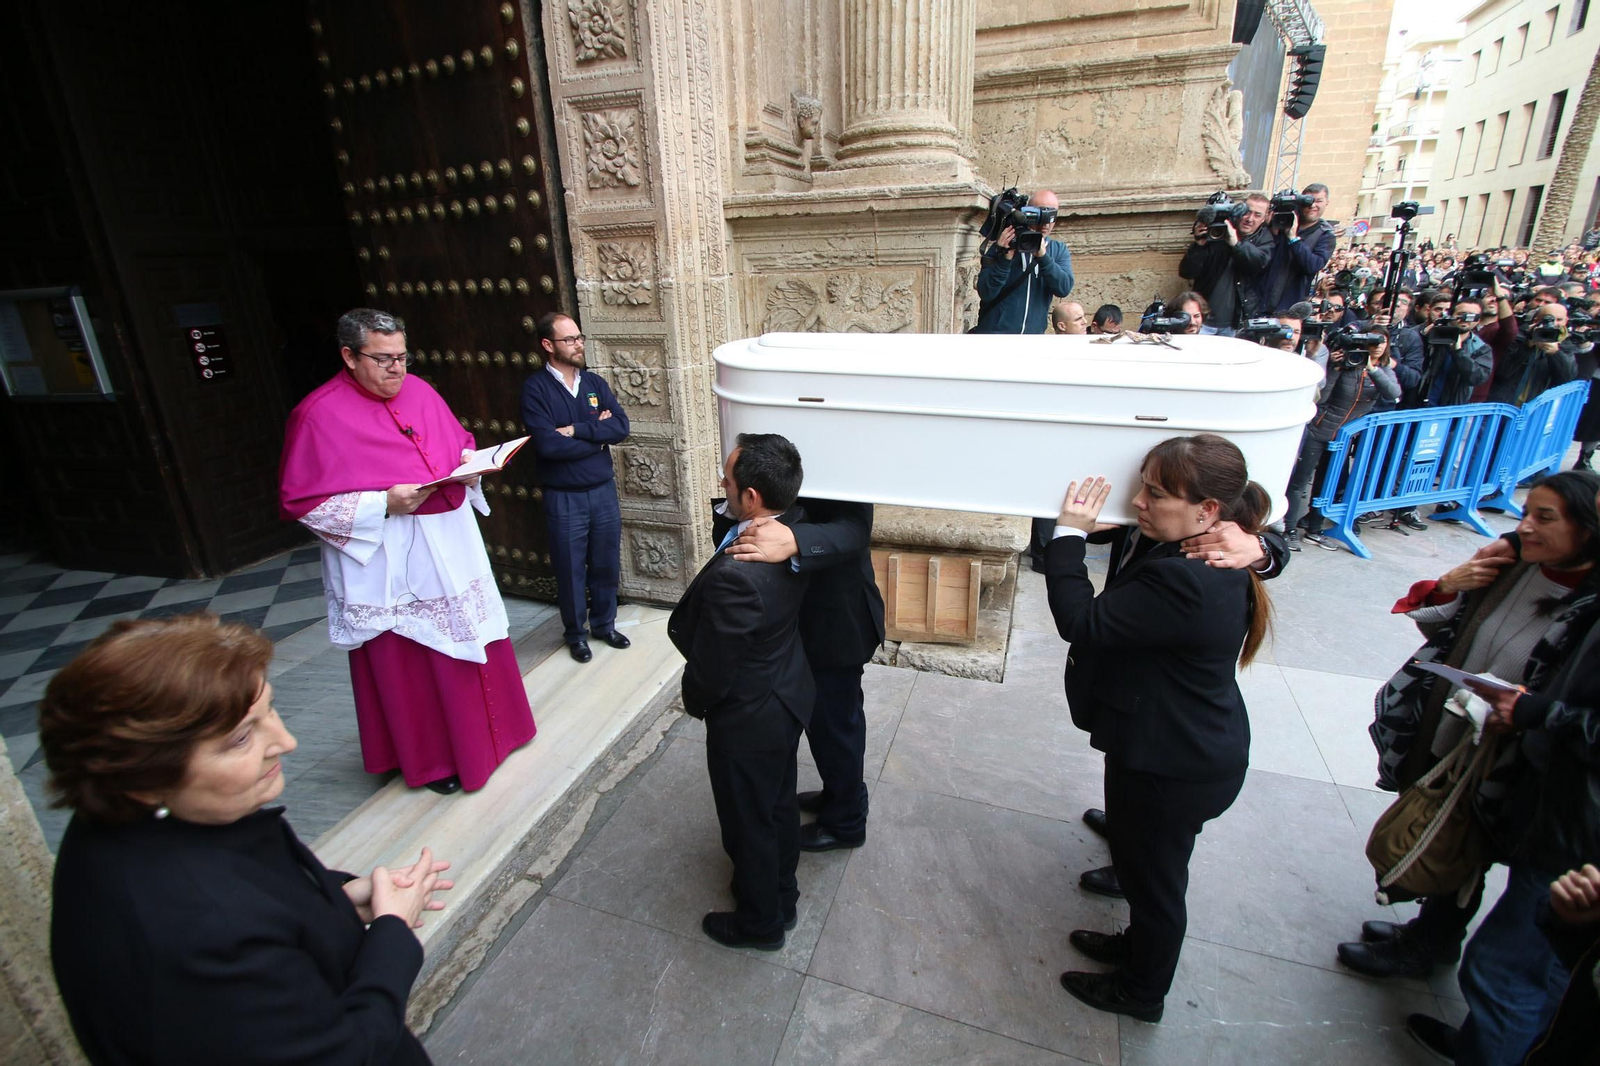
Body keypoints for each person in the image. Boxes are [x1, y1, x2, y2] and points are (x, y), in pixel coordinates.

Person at [43, 614, 452, 1064]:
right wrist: (392, 933)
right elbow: (343, 1053)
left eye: (270, 709)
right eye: (240, 738)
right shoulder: (199, 934)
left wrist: (333, 897)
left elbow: (254, 893)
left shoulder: (148, 820)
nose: (286, 741)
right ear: (143, 777)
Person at [1344, 474, 1600, 1003]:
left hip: (1521, 760)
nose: (1525, 526)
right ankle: (1432, 937)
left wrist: (1531, 712)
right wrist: (1451, 584)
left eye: (1545, 518)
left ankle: (1431, 944)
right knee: (1453, 832)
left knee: (1471, 847)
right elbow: (1441, 625)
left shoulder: (1590, 610)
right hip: (1457, 727)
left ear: (1589, 528)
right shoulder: (1512, 566)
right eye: (1526, 512)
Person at [1047, 434, 1272, 1022]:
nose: (1139, 502)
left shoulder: (1188, 575)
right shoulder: (1196, 546)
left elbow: (1082, 621)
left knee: (1155, 886)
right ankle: (1134, 949)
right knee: (1144, 861)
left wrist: (1067, 534)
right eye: (1142, 484)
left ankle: (1141, 992)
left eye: (1156, 492)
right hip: (1169, 741)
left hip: (1174, 761)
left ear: (1210, 511)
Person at [278, 308, 535, 795]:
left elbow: (454, 441)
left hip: (450, 542)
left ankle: (498, 737)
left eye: (402, 356)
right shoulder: (316, 414)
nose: (398, 369)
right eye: (384, 359)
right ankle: (435, 760)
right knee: (413, 658)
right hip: (387, 555)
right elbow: (303, 502)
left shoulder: (420, 390)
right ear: (349, 356)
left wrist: (469, 462)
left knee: (474, 636)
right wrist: (381, 504)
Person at [668, 434, 813, 951]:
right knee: (775, 808)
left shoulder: (739, 575)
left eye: (728, 480)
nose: (721, 485)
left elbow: (716, 664)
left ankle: (760, 922)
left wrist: (695, 700)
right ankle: (783, 895)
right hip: (785, 696)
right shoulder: (790, 530)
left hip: (750, 717)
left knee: (748, 821)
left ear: (751, 496)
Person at [722, 499, 886, 852]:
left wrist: (794, 538)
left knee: (836, 726)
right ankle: (840, 795)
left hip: (837, 622)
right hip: (806, 620)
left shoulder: (846, 460)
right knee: (826, 723)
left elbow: (855, 529)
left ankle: (846, 823)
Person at [521, 312, 632, 664]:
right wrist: (596, 437)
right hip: (564, 496)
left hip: (602, 491)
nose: (578, 344)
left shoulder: (595, 383)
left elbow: (621, 427)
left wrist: (575, 429)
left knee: (605, 562)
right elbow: (549, 446)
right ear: (548, 345)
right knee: (570, 568)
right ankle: (575, 634)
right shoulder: (535, 389)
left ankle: (604, 624)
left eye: (579, 337)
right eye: (569, 339)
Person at [1283, 334, 1401, 550]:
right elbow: (1323, 397)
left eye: (1381, 343)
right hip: (1319, 430)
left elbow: (1393, 393)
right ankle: (1288, 528)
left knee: (1327, 483)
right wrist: (1336, 369)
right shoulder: (1347, 364)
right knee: (1300, 481)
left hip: (1344, 437)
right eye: (1372, 344)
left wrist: (1372, 369)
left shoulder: (1383, 370)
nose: (1376, 348)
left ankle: (1314, 529)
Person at [972, 189, 1075, 334]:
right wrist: (1005, 259)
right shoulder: (1004, 245)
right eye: (1041, 214)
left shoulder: (1058, 250)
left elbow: (1063, 288)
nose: (1046, 223)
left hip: (1031, 340)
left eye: (1051, 215)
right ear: (1029, 213)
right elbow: (986, 292)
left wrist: (1043, 258)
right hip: (995, 338)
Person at [1177, 193, 1272, 331]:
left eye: (1257, 215)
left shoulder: (1264, 238)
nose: (1250, 219)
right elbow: (1187, 272)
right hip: (1203, 320)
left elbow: (1258, 264)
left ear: (1265, 218)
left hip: (1234, 323)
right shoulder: (1216, 230)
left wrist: (1236, 244)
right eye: (1247, 212)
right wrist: (1198, 245)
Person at [1254, 183, 1336, 314]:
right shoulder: (1282, 218)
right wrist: (1270, 229)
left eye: (1318, 201)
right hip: (1258, 300)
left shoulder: (1325, 234)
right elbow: (1261, 257)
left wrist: (1293, 239)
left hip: (1289, 308)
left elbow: (1313, 265)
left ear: (1327, 203)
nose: (1312, 205)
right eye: (1307, 201)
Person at [1487, 299, 1580, 406]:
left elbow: (1566, 378)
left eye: (1559, 320)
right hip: (1502, 405)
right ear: (1536, 320)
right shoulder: (1519, 337)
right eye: (1548, 319)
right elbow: (1502, 372)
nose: (1553, 324)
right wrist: (1527, 345)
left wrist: (1555, 353)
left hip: (1533, 410)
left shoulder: (1565, 344)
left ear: (1565, 321)